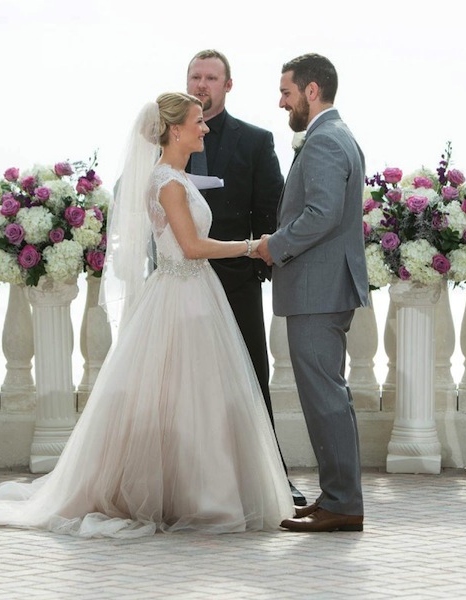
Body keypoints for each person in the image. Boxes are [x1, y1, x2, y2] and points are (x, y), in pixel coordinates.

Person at [0, 93, 292, 537]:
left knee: (195, 399)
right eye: (199, 121)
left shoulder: (175, 177)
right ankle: (194, 496)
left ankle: (199, 490)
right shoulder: (169, 183)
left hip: (194, 293)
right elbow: (192, 248)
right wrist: (252, 245)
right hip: (182, 293)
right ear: (175, 130)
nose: (206, 128)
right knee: (183, 397)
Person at [185, 49, 306, 507]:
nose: (201, 84)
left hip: (236, 282)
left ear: (227, 85)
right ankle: (188, 480)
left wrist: (254, 268)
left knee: (252, 379)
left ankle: (272, 478)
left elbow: (272, 211)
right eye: (195, 76)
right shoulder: (162, 139)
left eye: (211, 78)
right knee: (181, 382)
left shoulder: (254, 141)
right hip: (179, 283)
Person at [255, 54, 370, 532]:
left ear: (312, 90)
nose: (281, 102)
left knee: (325, 398)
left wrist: (273, 247)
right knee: (329, 396)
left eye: (286, 92)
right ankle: (337, 497)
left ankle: (342, 504)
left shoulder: (324, 140)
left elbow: (321, 214)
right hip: (324, 288)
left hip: (318, 290)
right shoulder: (335, 135)